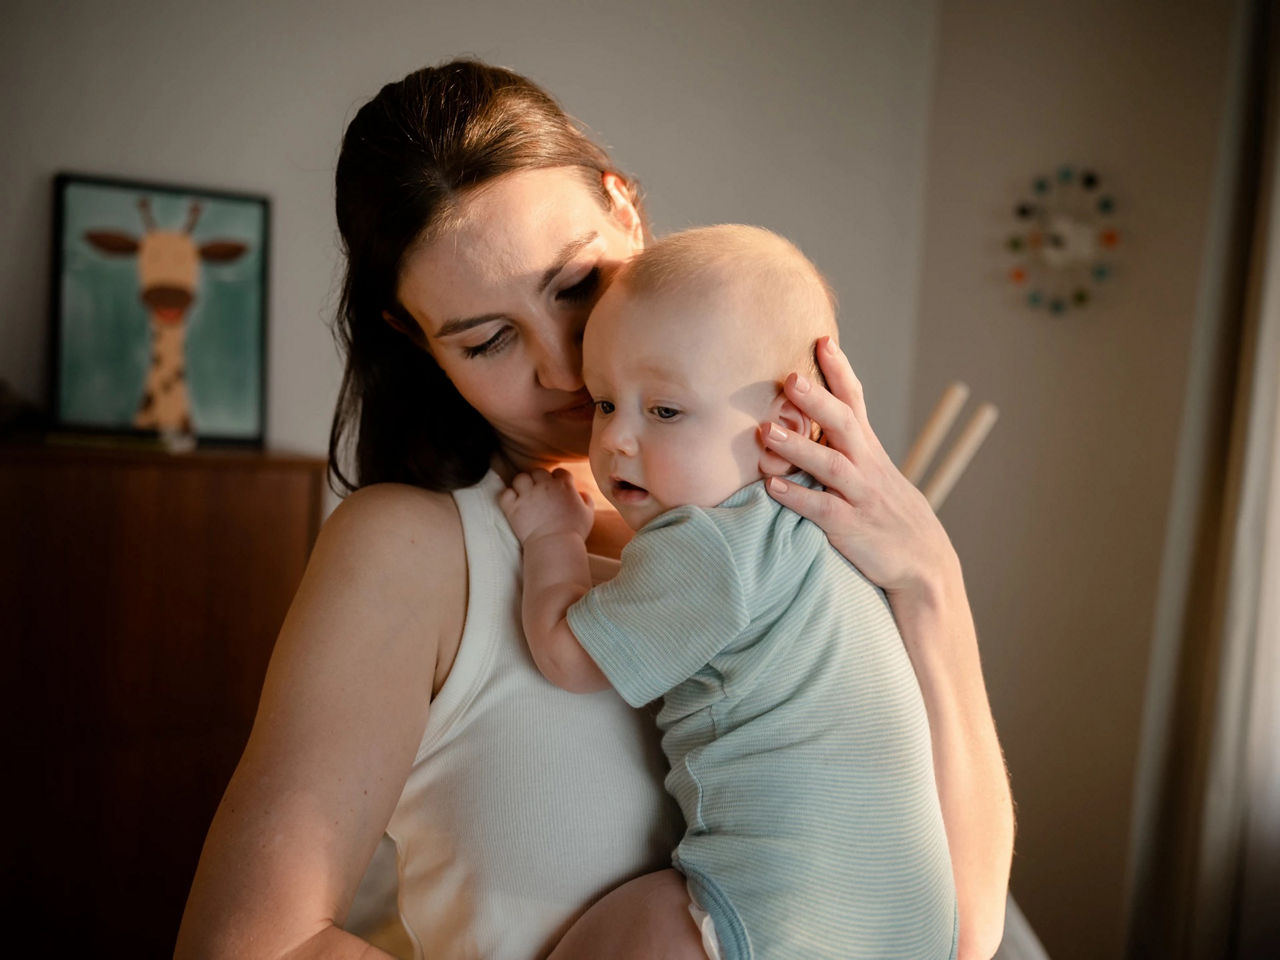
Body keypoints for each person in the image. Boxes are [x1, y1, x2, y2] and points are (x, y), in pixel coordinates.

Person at [175, 59, 1013, 960]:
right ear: (413, 340)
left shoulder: (788, 536)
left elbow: (966, 928)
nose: (566, 369)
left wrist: (931, 579)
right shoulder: (413, 547)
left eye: (576, 286)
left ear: (626, 209)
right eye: (489, 339)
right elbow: (248, 946)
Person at [499, 224, 959, 960]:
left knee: (619, 926)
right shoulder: (825, 523)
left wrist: (550, 538)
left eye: (666, 411)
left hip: (772, 914)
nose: (617, 439)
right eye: (604, 403)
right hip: (911, 929)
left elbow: (566, 653)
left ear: (783, 427)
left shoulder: (712, 544)